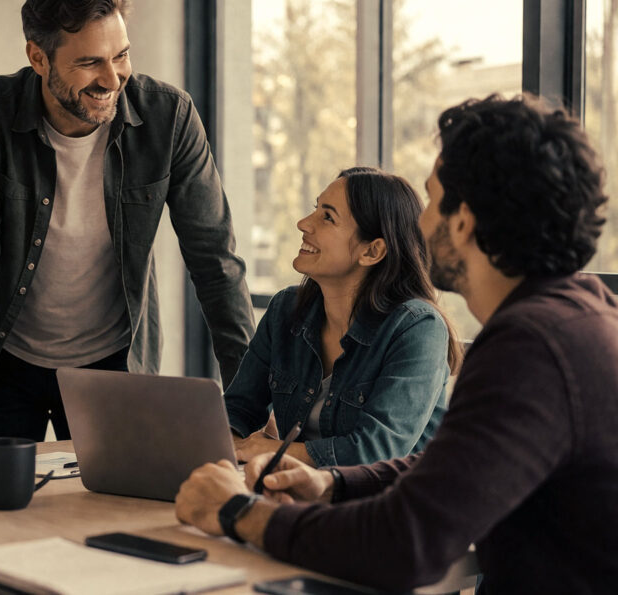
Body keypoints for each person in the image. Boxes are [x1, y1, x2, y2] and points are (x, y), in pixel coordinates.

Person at [174, 94, 618, 593]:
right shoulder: (578, 319)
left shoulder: (530, 350)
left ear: (464, 221)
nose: (421, 222)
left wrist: (238, 513)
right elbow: (453, 464)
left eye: (430, 200)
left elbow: (406, 545)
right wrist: (334, 484)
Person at [0, 0, 254, 453]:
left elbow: (215, 260)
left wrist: (250, 400)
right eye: (89, 63)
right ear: (38, 58)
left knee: (114, 501)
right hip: (7, 362)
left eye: (121, 55)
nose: (112, 78)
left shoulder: (170, 117)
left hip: (114, 363)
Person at [225, 167, 461, 467]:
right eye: (315, 208)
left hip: (386, 506)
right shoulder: (285, 310)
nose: (303, 223)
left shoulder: (417, 329)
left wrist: (273, 452)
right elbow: (237, 410)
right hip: (297, 494)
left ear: (372, 251)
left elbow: (377, 452)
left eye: (328, 217)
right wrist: (229, 442)